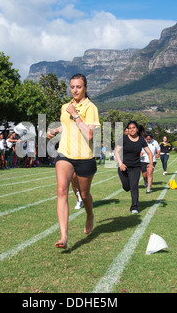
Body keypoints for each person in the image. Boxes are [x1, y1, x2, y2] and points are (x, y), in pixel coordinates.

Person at [46, 73, 100, 249]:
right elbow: (67, 126)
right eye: (72, 87)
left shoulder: (90, 107)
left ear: (85, 88)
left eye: (79, 87)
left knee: (84, 195)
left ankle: (90, 215)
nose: (75, 90)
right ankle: (64, 237)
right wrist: (55, 131)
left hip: (84, 157)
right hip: (65, 154)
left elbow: (90, 134)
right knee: (62, 191)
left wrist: (76, 115)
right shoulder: (65, 106)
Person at [114, 121, 153, 214]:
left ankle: (134, 207)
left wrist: (151, 163)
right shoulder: (123, 139)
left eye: (133, 128)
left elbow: (149, 153)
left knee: (134, 186)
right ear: (128, 129)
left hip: (135, 167)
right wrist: (120, 163)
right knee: (126, 187)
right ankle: (128, 189)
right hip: (123, 167)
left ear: (137, 129)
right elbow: (116, 152)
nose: (132, 130)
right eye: (130, 128)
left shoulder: (141, 140)